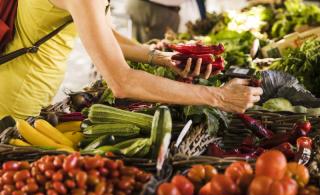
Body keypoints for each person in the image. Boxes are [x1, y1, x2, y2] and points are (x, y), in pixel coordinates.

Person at [0, 0, 262, 120]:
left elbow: (105, 34)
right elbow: (122, 82)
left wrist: (162, 58)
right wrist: (218, 97)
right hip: (17, 97)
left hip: (30, 84)